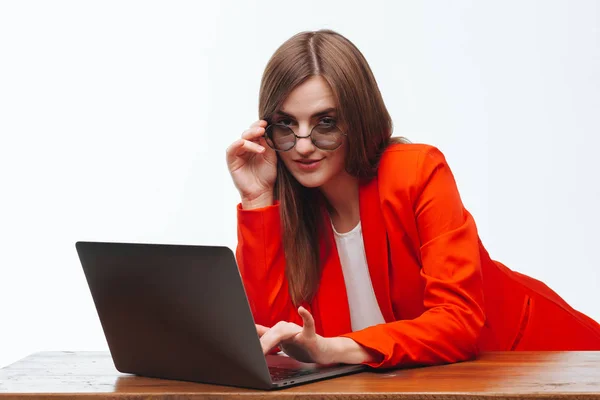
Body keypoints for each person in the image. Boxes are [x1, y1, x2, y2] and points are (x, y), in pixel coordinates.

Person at [225, 29, 600, 369]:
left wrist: (332, 349)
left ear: (358, 119)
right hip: (442, 384)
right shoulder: (296, 210)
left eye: (325, 122)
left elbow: (457, 319)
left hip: (546, 361)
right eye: (287, 125)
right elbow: (272, 339)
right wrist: (258, 199)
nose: (303, 145)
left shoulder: (417, 172)